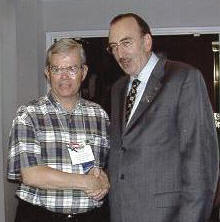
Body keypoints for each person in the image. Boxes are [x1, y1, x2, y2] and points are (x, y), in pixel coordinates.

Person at [107, 13, 219, 222]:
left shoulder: (183, 78)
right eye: (113, 46)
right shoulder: (118, 89)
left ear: (147, 41)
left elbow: (201, 166)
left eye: (126, 43)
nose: (119, 53)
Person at [8, 38, 110, 222]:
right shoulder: (29, 114)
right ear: (47, 72)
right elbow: (31, 174)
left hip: (92, 217)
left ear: (83, 72)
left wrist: (103, 179)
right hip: (40, 216)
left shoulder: (99, 115)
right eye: (57, 69)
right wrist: (86, 182)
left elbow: (101, 167)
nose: (64, 76)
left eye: (72, 68)